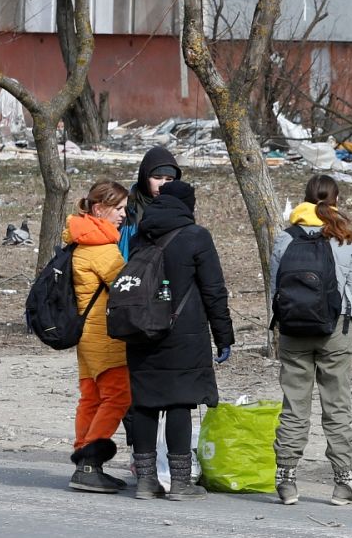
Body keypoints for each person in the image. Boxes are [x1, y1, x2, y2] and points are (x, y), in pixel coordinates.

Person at [125, 179, 235, 501]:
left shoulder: (140, 234)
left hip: (141, 331)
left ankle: (146, 482)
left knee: (145, 403)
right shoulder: (196, 236)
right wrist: (224, 337)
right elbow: (214, 291)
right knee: (179, 402)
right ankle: (181, 483)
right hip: (183, 333)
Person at [269, 174, 352, 507]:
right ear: (335, 199)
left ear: (305, 199)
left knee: (294, 405)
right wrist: (347, 319)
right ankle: (344, 482)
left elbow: (275, 289)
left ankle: (286, 480)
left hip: (293, 331)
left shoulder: (285, 238)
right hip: (334, 330)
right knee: (336, 406)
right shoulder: (345, 236)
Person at [66, 180, 130, 494]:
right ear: (99, 209)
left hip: (86, 335)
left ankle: (84, 462)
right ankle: (90, 462)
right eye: (118, 208)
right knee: (118, 396)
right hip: (104, 336)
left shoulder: (79, 240)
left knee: (90, 397)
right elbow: (126, 286)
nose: (123, 214)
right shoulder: (101, 248)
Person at [120, 146, 181, 259]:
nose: (162, 184)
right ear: (145, 178)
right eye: (157, 178)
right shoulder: (126, 205)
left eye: (169, 179)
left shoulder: (180, 210)